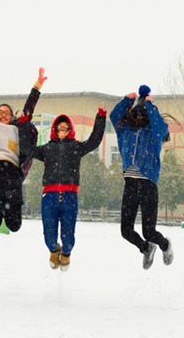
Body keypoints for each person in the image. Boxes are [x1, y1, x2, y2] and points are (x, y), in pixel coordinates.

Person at [0, 66, 46, 233]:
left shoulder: (17, 127)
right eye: (0, 112)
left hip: (13, 172)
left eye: (7, 112)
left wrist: (37, 86)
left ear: (12, 116)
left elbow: (29, 110)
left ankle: (6, 208)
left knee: (15, 225)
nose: (3, 115)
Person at [33, 106, 106, 272]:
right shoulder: (46, 148)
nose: (62, 130)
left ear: (70, 130)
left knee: (69, 239)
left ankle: (66, 253)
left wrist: (101, 117)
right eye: (60, 127)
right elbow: (28, 150)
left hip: (69, 196)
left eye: (66, 128)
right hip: (49, 196)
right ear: (54, 129)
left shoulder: (76, 147)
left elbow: (94, 140)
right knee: (49, 237)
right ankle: (53, 250)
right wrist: (24, 124)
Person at [110, 85, 174, 270]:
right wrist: (127, 101)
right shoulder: (125, 132)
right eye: (136, 113)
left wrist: (151, 105)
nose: (139, 117)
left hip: (148, 186)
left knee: (149, 231)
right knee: (126, 231)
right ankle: (146, 249)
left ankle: (164, 245)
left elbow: (161, 127)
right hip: (130, 185)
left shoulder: (154, 134)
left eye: (142, 114)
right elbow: (115, 117)